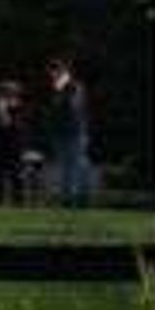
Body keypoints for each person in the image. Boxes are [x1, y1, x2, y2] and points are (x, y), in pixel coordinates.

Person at [44, 55, 93, 208]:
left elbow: (73, 108)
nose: (51, 75)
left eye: (53, 71)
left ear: (61, 71)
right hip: (60, 132)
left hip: (75, 131)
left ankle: (77, 197)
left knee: (76, 165)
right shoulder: (56, 88)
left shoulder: (74, 86)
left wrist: (61, 93)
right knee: (64, 166)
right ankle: (67, 198)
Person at [0, 80, 31, 207]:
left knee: (16, 173)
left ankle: (18, 200)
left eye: (3, 93)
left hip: (15, 143)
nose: (0, 96)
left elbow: (12, 125)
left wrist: (4, 110)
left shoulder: (20, 107)